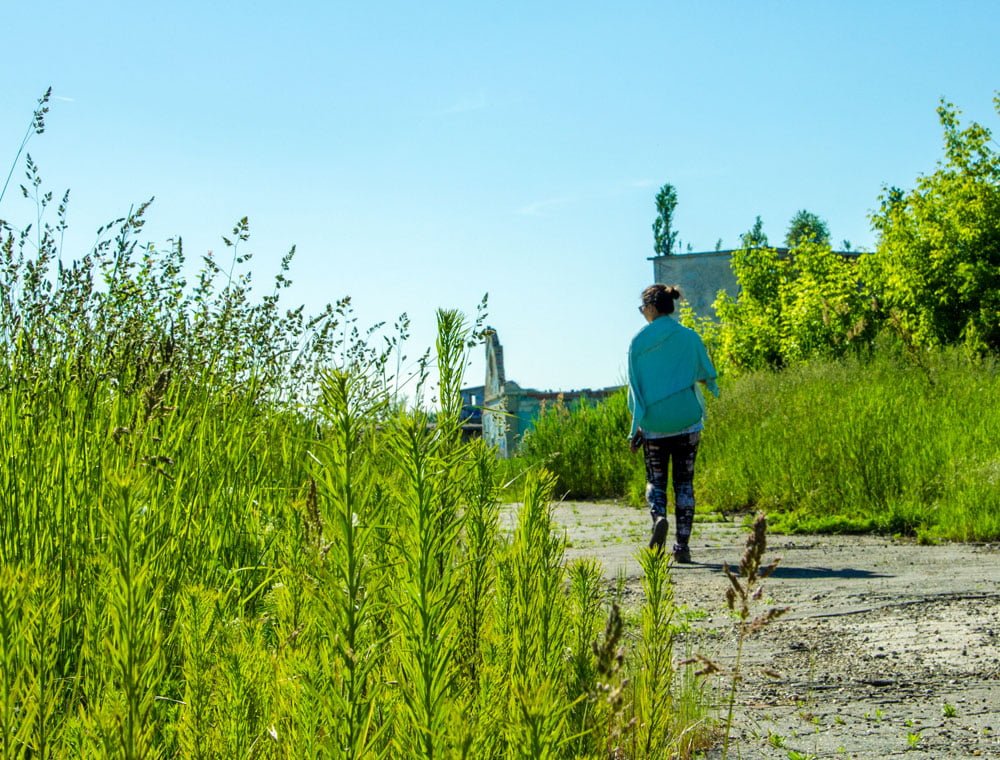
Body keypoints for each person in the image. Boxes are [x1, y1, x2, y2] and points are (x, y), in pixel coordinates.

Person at [627, 284, 719, 562]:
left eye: (642, 307)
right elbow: (706, 375)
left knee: (655, 480)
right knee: (684, 484)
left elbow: (635, 389)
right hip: (687, 421)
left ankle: (659, 519)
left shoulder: (638, 342)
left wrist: (636, 429)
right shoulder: (690, 337)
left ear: (653, 307)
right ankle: (682, 548)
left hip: (654, 422)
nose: (642, 312)